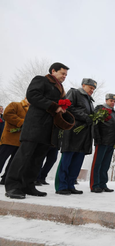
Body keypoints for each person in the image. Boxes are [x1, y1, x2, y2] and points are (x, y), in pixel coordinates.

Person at [5, 62, 69, 199]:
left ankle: (28, 185)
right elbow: (32, 95)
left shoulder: (60, 89)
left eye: (66, 75)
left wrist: (62, 109)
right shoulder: (42, 80)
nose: (64, 76)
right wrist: (53, 106)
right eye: (62, 73)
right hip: (35, 125)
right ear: (53, 71)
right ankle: (12, 185)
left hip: (49, 129)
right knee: (24, 156)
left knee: (37, 158)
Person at [55, 78, 96, 195]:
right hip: (73, 132)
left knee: (77, 162)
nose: (92, 90)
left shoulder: (90, 102)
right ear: (83, 85)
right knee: (66, 161)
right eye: (90, 87)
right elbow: (69, 107)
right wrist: (85, 117)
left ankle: (70, 184)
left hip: (84, 136)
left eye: (93, 89)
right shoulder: (74, 93)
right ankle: (61, 186)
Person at [90, 93, 115, 193]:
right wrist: (97, 138)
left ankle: (103, 184)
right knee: (97, 164)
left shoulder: (114, 114)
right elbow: (95, 124)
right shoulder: (100, 109)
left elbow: (114, 129)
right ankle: (95, 185)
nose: (113, 103)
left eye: (114, 101)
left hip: (111, 143)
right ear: (106, 100)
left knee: (105, 165)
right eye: (111, 101)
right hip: (102, 141)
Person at [0, 98, 30, 185]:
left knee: (14, 163)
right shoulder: (15, 105)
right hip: (9, 139)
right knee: (1, 159)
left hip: (22, 141)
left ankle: (6, 178)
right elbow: (7, 114)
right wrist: (22, 122)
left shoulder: (32, 111)